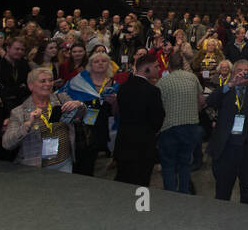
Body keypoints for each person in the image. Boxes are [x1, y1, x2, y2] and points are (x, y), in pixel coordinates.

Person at [206, 58, 248, 202]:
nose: (243, 74)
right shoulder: (227, 88)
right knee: (223, 190)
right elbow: (210, 101)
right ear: (233, 73)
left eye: (247, 71)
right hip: (226, 147)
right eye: (240, 71)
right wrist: (231, 84)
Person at [2, 68, 85, 171]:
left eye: (50, 80)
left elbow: (80, 117)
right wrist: (27, 124)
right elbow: (7, 144)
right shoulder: (19, 112)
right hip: (34, 167)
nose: (48, 84)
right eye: (42, 81)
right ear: (31, 86)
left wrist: (79, 104)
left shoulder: (62, 99)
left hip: (64, 162)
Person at [65, 50, 120, 178]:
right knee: (80, 162)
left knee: (94, 162)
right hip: (81, 127)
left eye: (104, 61)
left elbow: (115, 112)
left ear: (109, 64)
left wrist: (114, 102)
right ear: (90, 65)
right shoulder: (79, 81)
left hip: (101, 127)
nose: (100, 63)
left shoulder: (114, 84)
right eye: (96, 61)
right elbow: (66, 98)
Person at [156, 51, 205, 194]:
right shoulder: (192, 78)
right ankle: (184, 195)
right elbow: (201, 102)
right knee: (185, 163)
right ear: (183, 65)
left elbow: (158, 106)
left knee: (168, 165)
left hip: (169, 128)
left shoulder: (162, 82)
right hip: (190, 126)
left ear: (168, 65)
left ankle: (170, 196)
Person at [114, 54, 164, 186]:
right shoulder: (152, 91)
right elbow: (157, 119)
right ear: (146, 68)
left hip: (123, 142)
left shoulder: (123, 88)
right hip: (143, 146)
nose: (159, 69)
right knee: (141, 184)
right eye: (156, 66)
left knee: (123, 181)